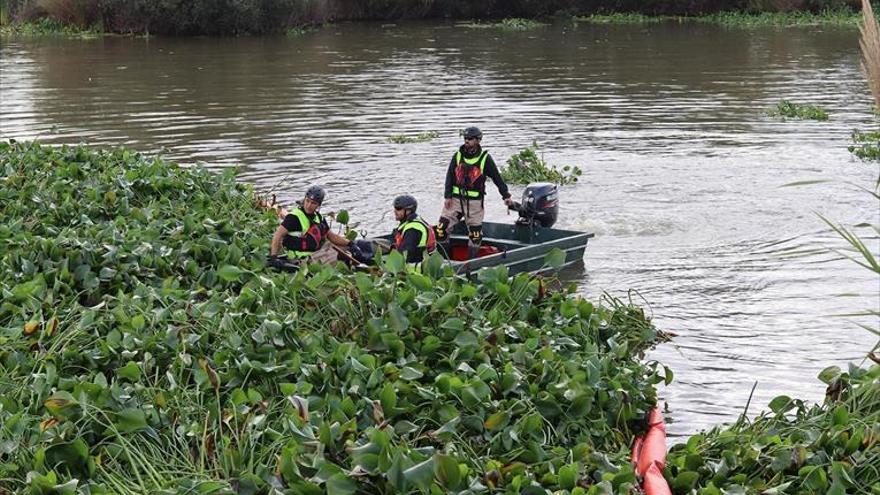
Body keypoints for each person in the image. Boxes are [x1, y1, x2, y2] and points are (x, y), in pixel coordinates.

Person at [437, 126, 514, 256]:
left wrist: (505, 195)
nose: (467, 141)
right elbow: (449, 176)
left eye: (470, 139)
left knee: (475, 235)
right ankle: (446, 261)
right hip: (455, 200)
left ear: (478, 140)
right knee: (441, 229)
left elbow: (497, 178)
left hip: (475, 204)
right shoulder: (457, 156)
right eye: (465, 138)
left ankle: (471, 264)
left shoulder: (485, 159)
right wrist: (447, 196)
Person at [268, 185, 353, 266]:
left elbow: (332, 236)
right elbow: (278, 235)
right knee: (342, 257)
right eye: (307, 201)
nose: (308, 206)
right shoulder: (294, 217)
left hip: (316, 253)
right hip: (300, 259)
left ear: (318, 205)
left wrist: (350, 243)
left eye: (313, 203)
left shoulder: (319, 218)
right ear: (304, 199)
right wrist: (274, 257)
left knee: (347, 249)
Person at [390, 194, 436, 263]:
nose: (395, 211)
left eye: (398, 208)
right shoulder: (414, 220)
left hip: (415, 270)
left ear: (408, 211)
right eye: (395, 208)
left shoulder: (413, 230)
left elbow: (405, 255)